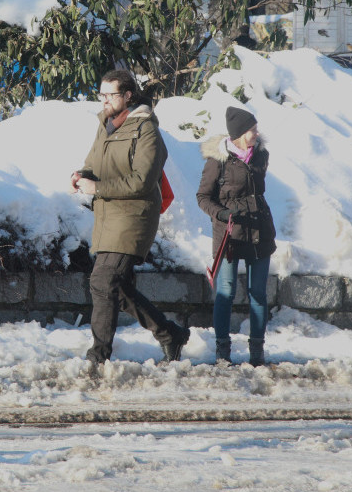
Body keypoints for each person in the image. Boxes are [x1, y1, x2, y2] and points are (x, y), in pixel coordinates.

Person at [71, 69, 190, 371]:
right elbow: (93, 161)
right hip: (108, 215)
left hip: (134, 217)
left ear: (127, 95)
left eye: (110, 95)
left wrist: (97, 187)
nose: (104, 100)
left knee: (102, 280)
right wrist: (82, 175)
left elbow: (142, 180)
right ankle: (170, 334)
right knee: (119, 289)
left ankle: (98, 356)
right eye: (101, 94)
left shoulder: (146, 130)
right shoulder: (105, 124)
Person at [196, 107, 277, 366]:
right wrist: (220, 214)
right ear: (240, 133)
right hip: (230, 235)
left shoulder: (261, 155)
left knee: (258, 293)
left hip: (259, 231)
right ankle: (223, 352)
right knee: (226, 292)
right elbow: (203, 197)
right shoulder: (217, 160)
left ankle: (257, 352)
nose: (257, 132)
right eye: (252, 128)